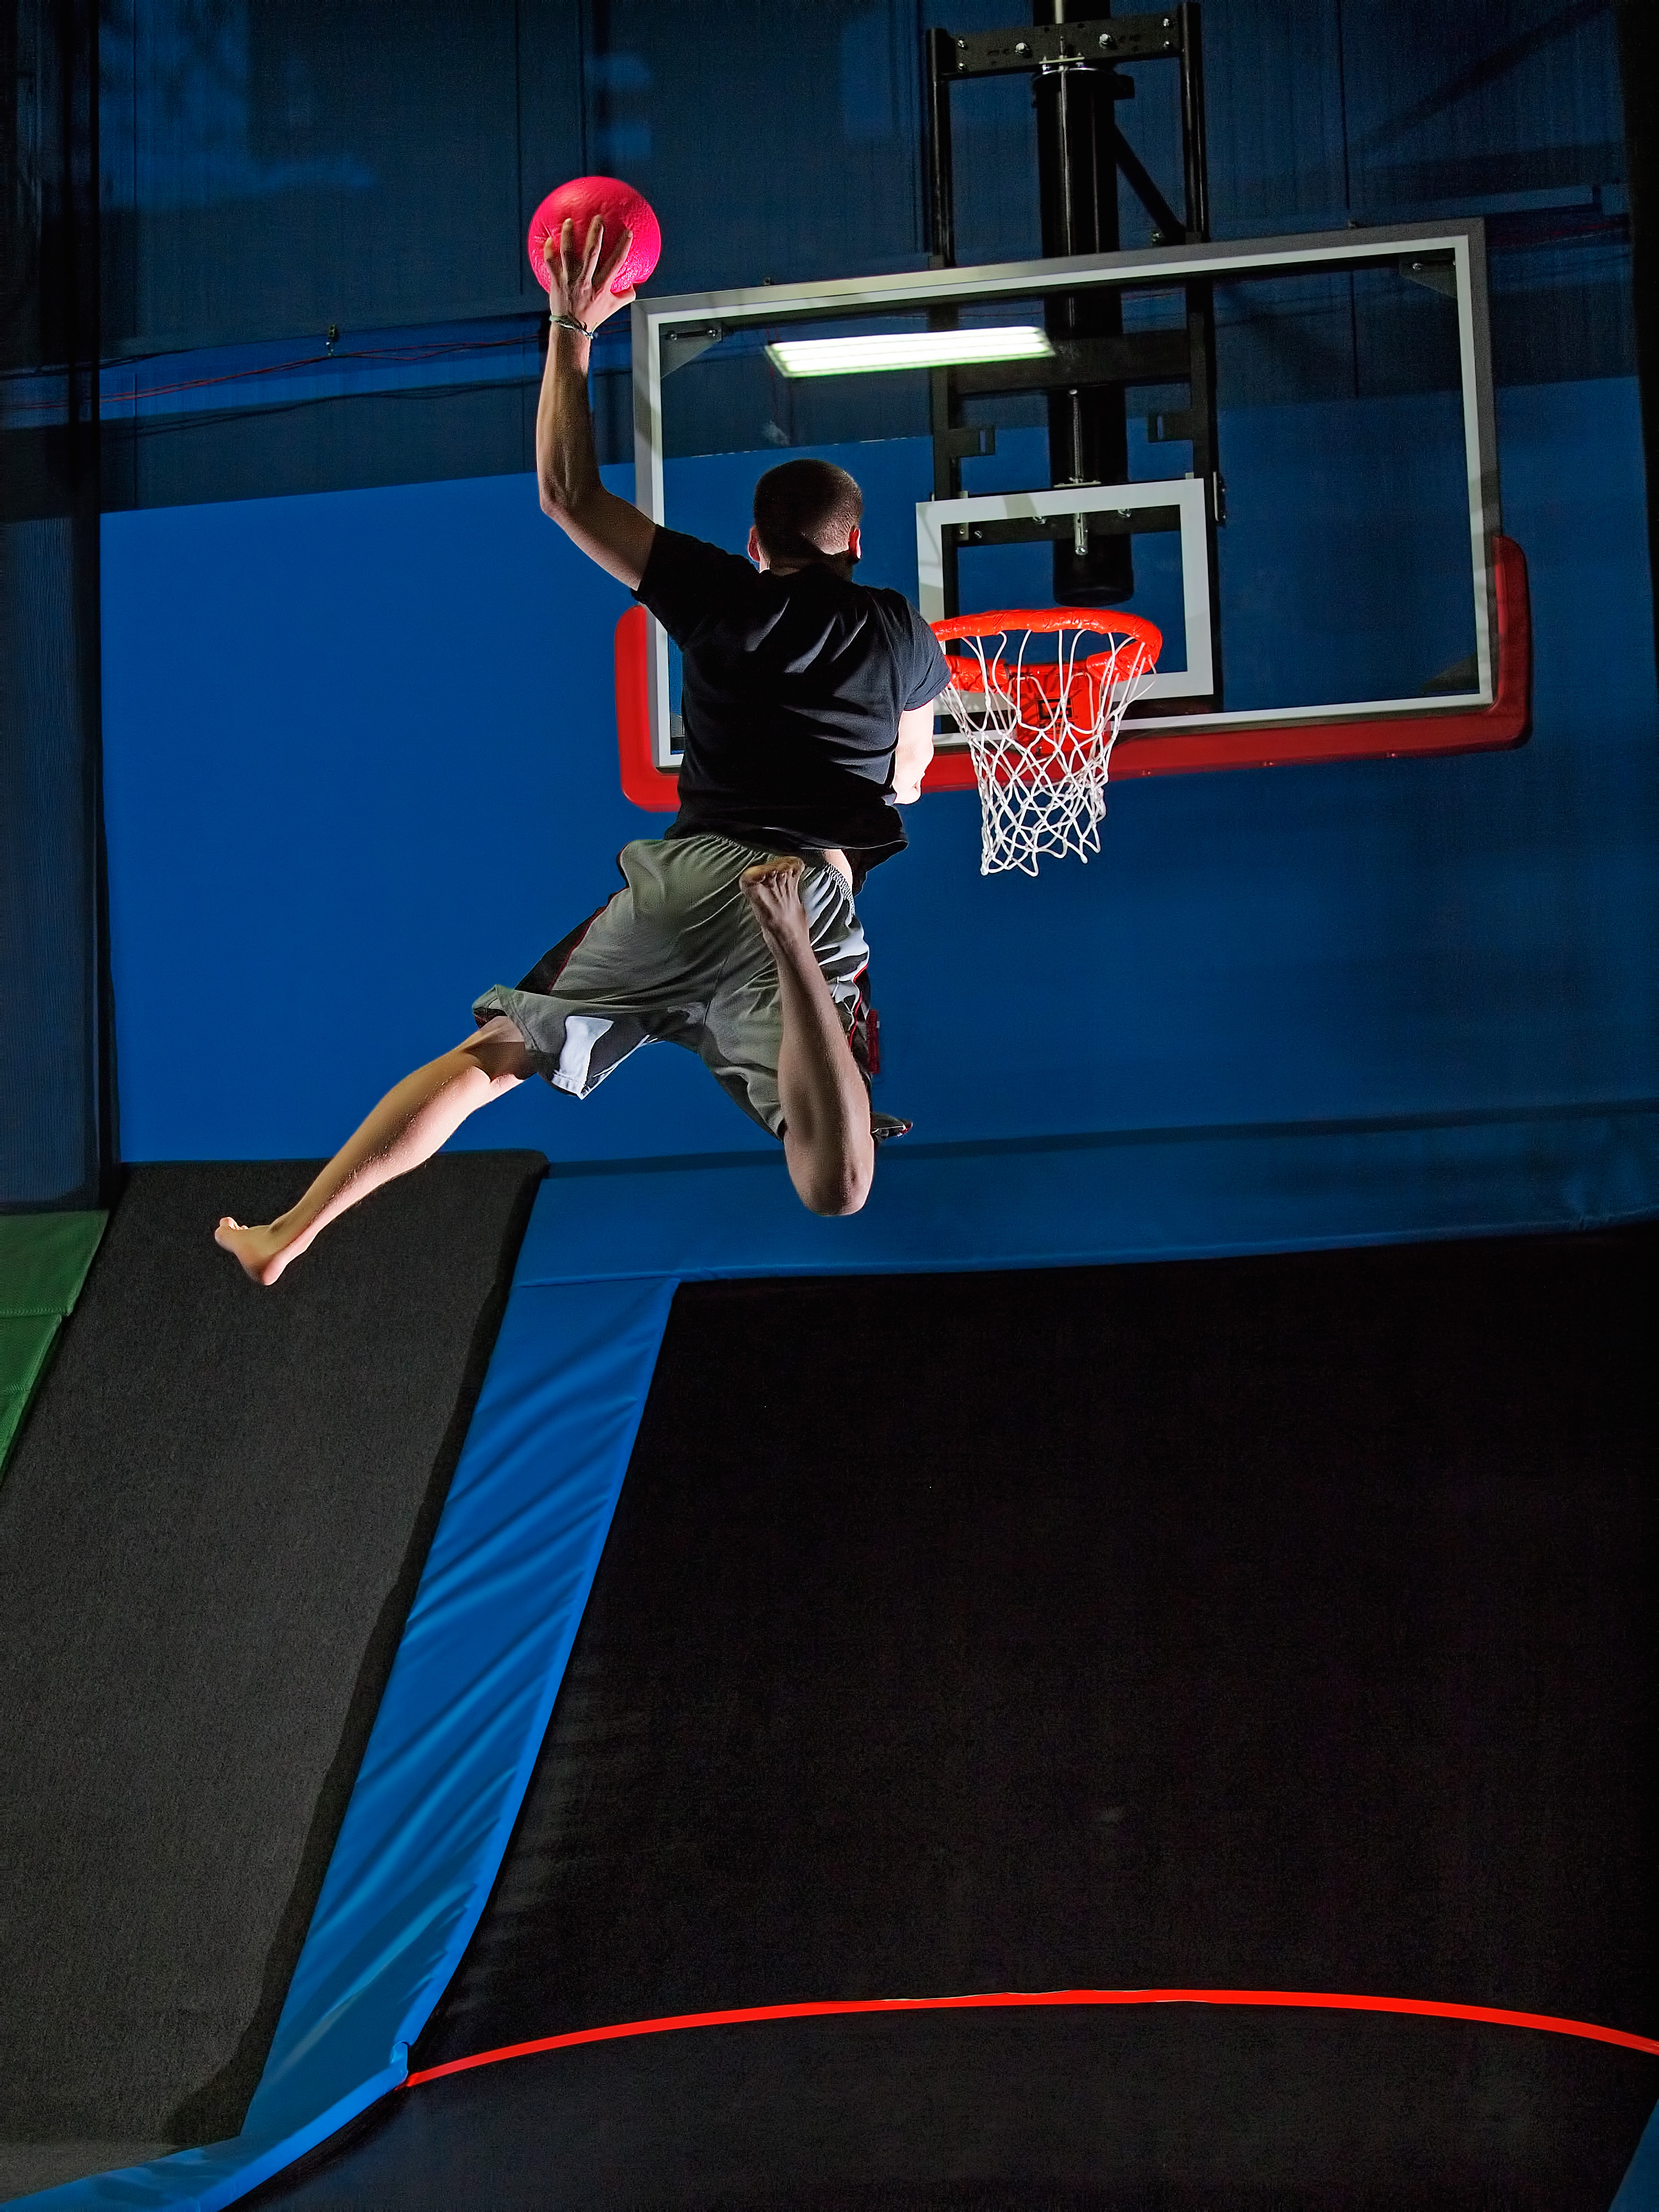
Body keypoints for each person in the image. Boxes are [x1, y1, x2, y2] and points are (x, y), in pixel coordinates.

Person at [216, 213, 947, 1286]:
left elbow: (568, 494)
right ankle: (800, 1007)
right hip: (811, 890)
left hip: (688, 877)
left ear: (757, 545)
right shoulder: (899, 630)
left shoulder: (720, 593)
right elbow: (912, 779)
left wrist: (569, 329)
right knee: (831, 1179)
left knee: (487, 1064)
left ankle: (290, 1232)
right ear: (859, 544)